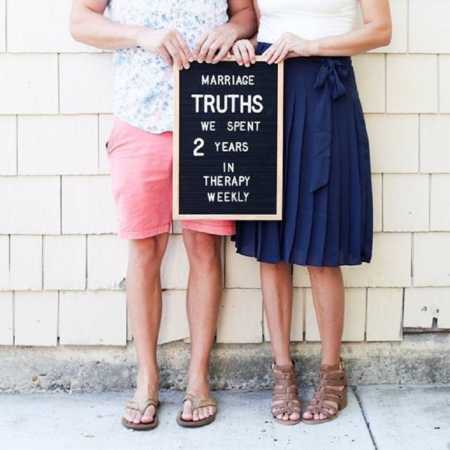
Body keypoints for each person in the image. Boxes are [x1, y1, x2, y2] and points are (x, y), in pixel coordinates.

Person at [70, 0, 257, 430]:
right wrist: (142, 35)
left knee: (204, 249)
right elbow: (80, 21)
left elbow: (246, 13)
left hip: (211, 114)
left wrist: (233, 31)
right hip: (140, 118)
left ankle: (198, 379)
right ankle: (146, 378)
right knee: (144, 249)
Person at [232, 0, 391, 425]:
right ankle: (282, 371)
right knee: (272, 244)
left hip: (325, 92)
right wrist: (246, 44)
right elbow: (252, 20)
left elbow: (380, 31)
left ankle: (331, 372)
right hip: (269, 89)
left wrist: (313, 45)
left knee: (321, 244)